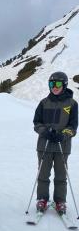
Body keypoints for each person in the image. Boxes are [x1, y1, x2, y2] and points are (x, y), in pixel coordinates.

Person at [33, 71, 78, 214]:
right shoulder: (43, 103)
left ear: (64, 85)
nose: (55, 87)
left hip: (62, 146)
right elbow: (36, 122)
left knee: (61, 175)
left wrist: (63, 135)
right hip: (44, 145)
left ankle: (60, 201)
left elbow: (73, 126)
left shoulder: (72, 104)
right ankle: (42, 199)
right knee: (43, 174)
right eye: (52, 83)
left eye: (58, 83)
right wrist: (44, 131)